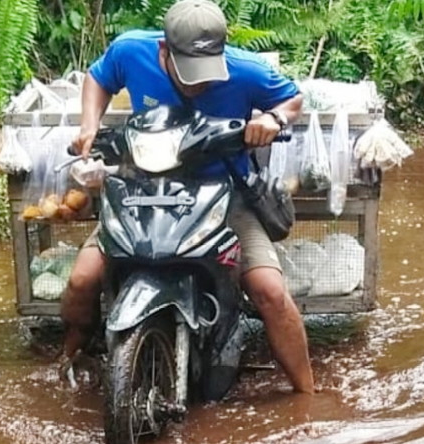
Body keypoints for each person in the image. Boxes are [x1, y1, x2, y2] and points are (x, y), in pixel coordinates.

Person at [60, 0, 314, 394]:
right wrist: (89, 126)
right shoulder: (132, 50)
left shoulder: (245, 70)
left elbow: (292, 99)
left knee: (269, 290)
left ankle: (307, 395)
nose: (199, 84)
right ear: (164, 50)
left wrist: (273, 119)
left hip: (222, 194)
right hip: (142, 193)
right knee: (81, 280)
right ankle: (71, 358)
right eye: (189, 74)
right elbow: (98, 78)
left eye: (207, 72)